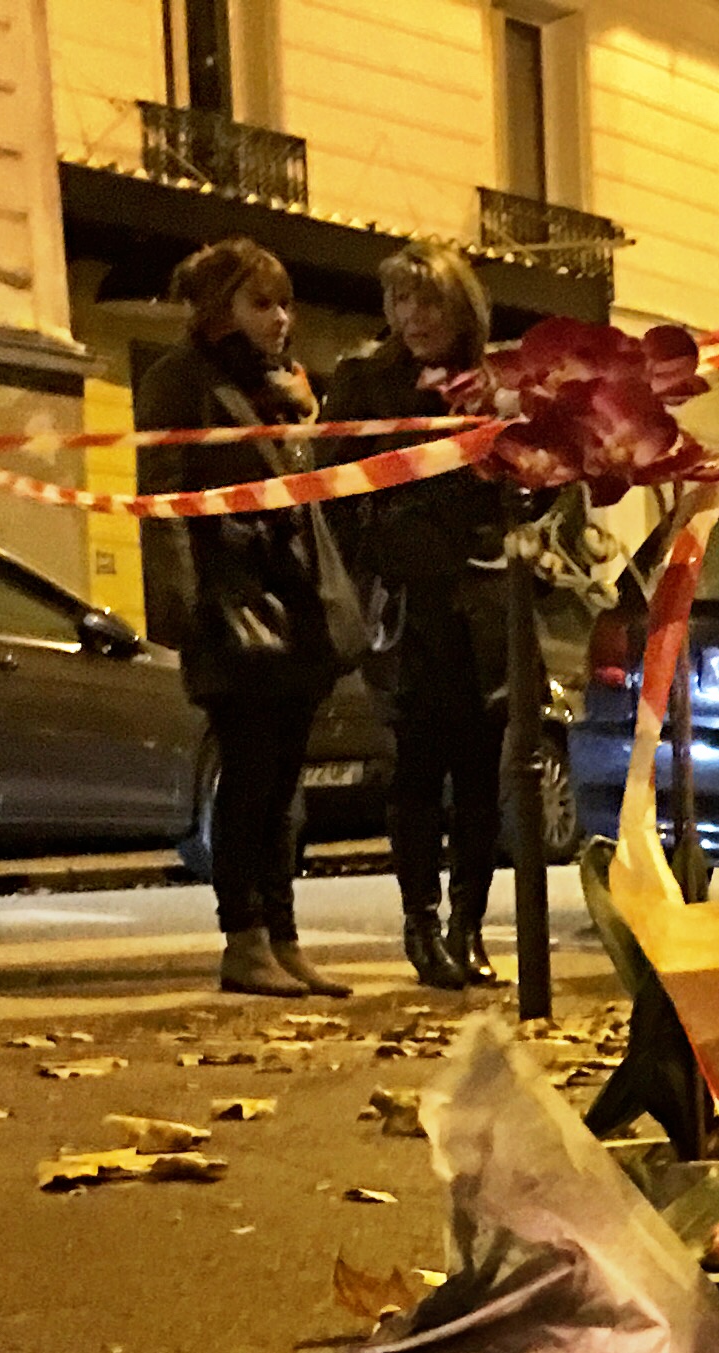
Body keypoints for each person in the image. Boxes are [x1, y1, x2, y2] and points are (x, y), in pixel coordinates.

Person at [139, 236, 355, 999]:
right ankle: (245, 937)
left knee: (285, 785)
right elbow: (164, 495)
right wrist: (184, 605)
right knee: (251, 778)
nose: (280, 318)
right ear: (218, 306)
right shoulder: (179, 379)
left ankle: (284, 937)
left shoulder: (285, 388)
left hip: (294, 599)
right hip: (231, 599)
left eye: (284, 303)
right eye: (261, 302)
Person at [324, 239, 515, 989]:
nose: (414, 315)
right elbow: (332, 489)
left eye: (429, 300)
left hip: (484, 598)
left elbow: (538, 486)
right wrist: (377, 552)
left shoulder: (497, 383)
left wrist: (520, 488)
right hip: (408, 601)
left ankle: (470, 923)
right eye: (402, 300)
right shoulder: (365, 381)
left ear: (461, 307)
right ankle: (421, 922)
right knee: (416, 768)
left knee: (480, 772)